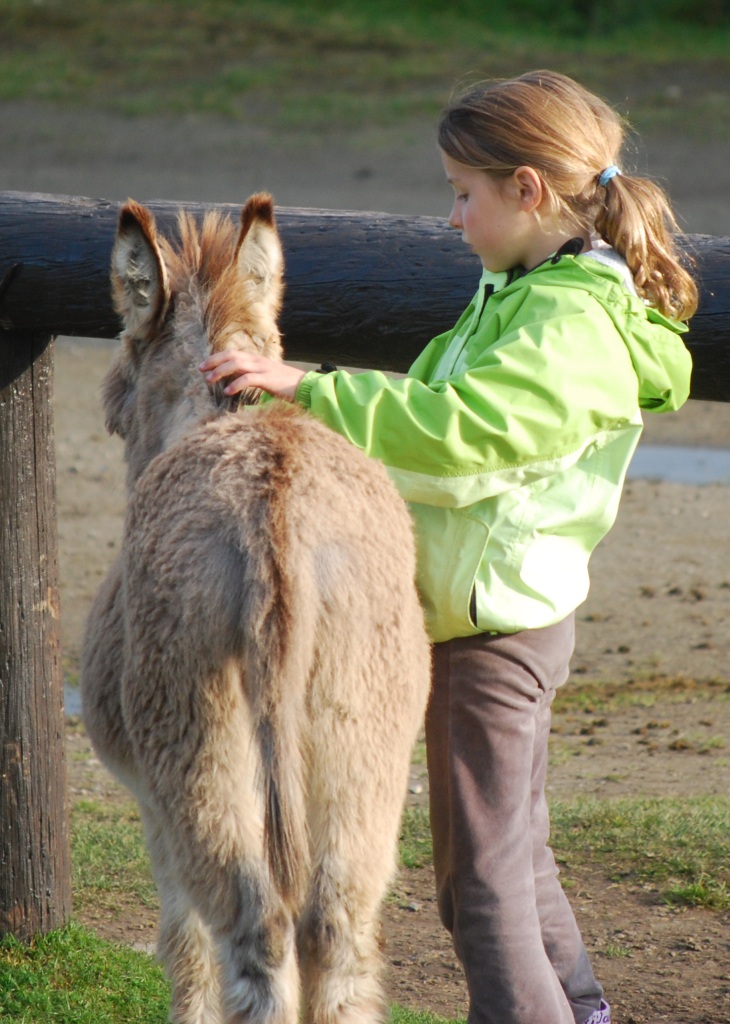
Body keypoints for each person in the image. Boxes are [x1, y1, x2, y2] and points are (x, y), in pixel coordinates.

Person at [199, 70, 696, 1024]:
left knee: (477, 882)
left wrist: (309, 389)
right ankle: (582, 1009)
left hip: (490, 629)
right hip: (500, 609)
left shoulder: (566, 322)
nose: (454, 218)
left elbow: (460, 432)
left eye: (464, 194)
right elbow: (442, 410)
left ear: (528, 190)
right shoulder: (526, 291)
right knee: (514, 851)